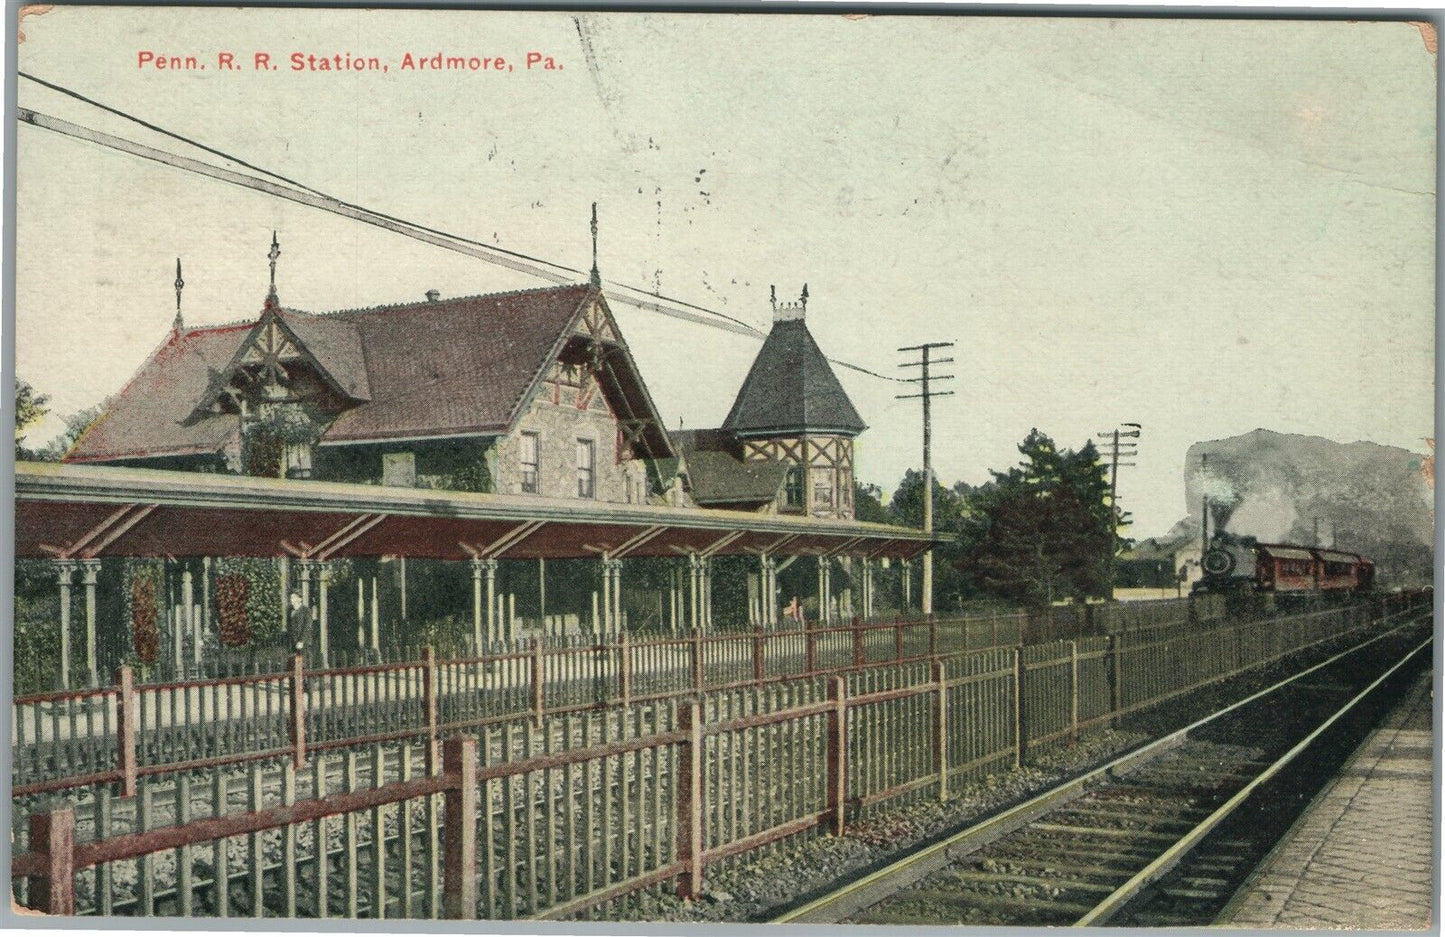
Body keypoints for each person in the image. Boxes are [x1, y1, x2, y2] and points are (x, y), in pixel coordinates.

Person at [286, 590, 314, 664]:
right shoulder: (289, 610)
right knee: (292, 664)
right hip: (292, 642)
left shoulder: (306, 610)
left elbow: (307, 627)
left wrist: (301, 641)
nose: (291, 599)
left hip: (303, 644)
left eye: (293, 597)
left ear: (299, 599)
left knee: (302, 665)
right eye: (291, 598)